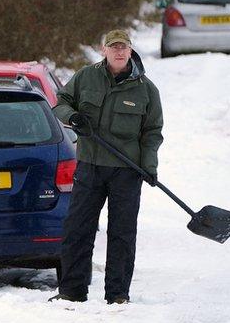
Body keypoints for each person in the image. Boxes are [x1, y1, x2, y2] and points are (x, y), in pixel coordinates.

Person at [49, 29, 163, 305]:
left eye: (123, 47)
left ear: (130, 50)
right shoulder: (86, 77)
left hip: (126, 171)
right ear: (104, 50)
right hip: (90, 167)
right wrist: (73, 116)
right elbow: (60, 103)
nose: (119, 52)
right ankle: (72, 291)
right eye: (114, 47)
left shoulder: (146, 90)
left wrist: (148, 165)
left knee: (122, 233)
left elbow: (152, 132)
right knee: (78, 229)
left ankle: (118, 294)